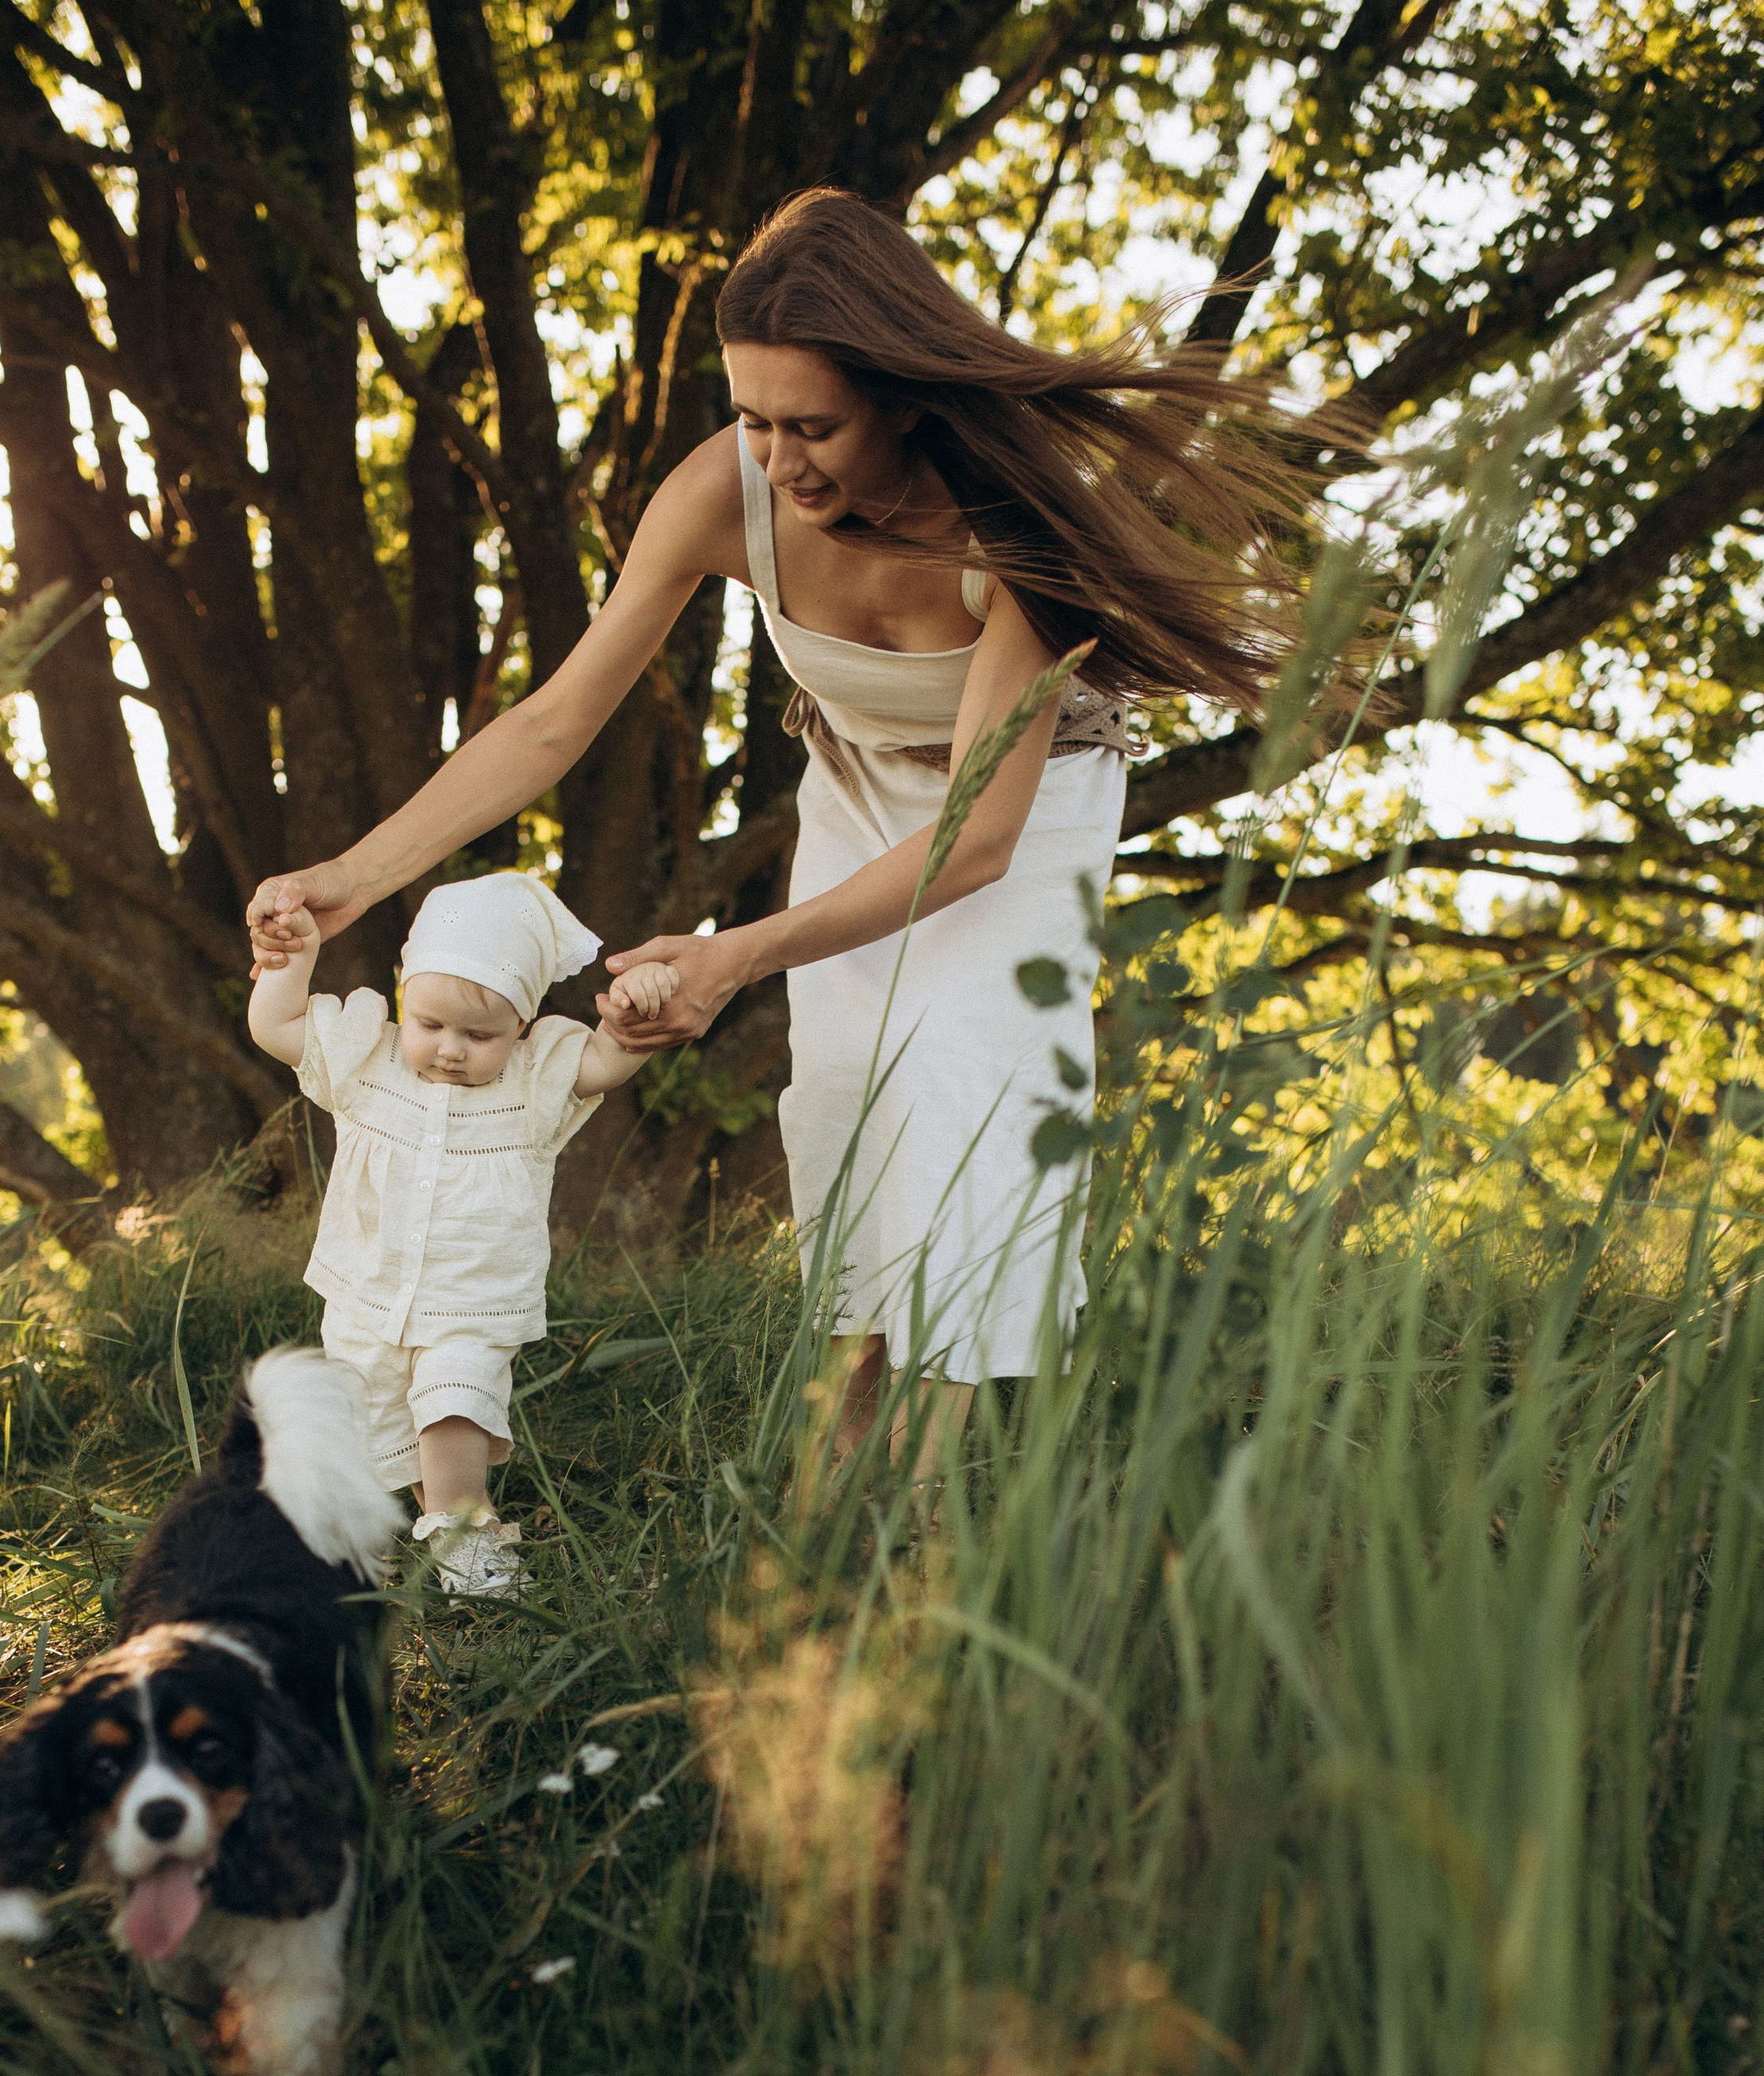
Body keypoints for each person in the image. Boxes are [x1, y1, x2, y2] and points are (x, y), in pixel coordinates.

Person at [249, 189, 1324, 1467]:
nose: (777, 458)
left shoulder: (1014, 528)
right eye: (754, 417)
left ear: (905, 399)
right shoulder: (723, 491)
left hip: (1015, 824)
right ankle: (830, 1512)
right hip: (856, 788)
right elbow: (554, 721)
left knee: (959, 1108)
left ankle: (919, 1542)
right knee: (851, 1114)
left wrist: (735, 952)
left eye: (812, 424)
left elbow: (973, 843)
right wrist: (354, 878)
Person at [248, 869, 676, 1599]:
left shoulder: (532, 1087)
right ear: (403, 998)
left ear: (521, 1028)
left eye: (480, 1035)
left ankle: (467, 1541)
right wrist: (293, 961)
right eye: (430, 1023)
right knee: (369, 1431)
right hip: (366, 1298)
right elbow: (277, 1027)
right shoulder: (366, 1060)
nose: (450, 1048)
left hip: (472, 1302)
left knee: (455, 1402)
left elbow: (605, 1061)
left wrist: (634, 1014)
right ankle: (352, 1552)